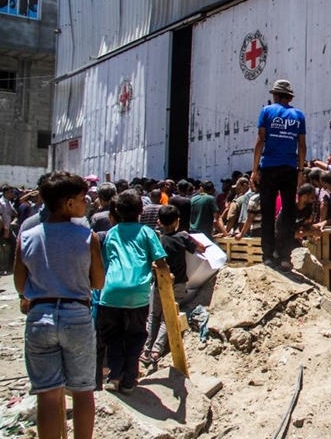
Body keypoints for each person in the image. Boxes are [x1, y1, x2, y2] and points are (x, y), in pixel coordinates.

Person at [14, 171, 105, 439]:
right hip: (76, 315)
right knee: (82, 391)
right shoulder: (88, 237)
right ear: (68, 203)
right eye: (82, 198)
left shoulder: (26, 237)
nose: (86, 202)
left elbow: (21, 286)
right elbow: (98, 282)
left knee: (48, 395)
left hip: (39, 317)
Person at [98, 189, 170, 394]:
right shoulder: (147, 233)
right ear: (141, 210)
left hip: (111, 293)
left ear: (117, 210)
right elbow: (161, 261)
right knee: (136, 336)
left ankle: (114, 377)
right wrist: (166, 277)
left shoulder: (111, 233)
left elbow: (105, 263)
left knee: (113, 338)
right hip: (138, 295)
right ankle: (129, 380)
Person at [250, 79, 307, 269]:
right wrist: (300, 171)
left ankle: (267, 256)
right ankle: (285, 257)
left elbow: (260, 141)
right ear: (289, 97)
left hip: (269, 168)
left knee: (267, 213)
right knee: (289, 214)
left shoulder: (267, 112)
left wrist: (255, 169)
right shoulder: (299, 115)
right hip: (290, 169)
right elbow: (302, 145)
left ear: (275, 95)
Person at [143, 205, 205, 366]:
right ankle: (157, 351)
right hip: (177, 284)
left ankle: (146, 350)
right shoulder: (182, 237)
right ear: (177, 221)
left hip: (158, 283)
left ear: (159, 222)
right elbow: (201, 248)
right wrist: (189, 236)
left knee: (153, 317)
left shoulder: (158, 241)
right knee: (167, 317)